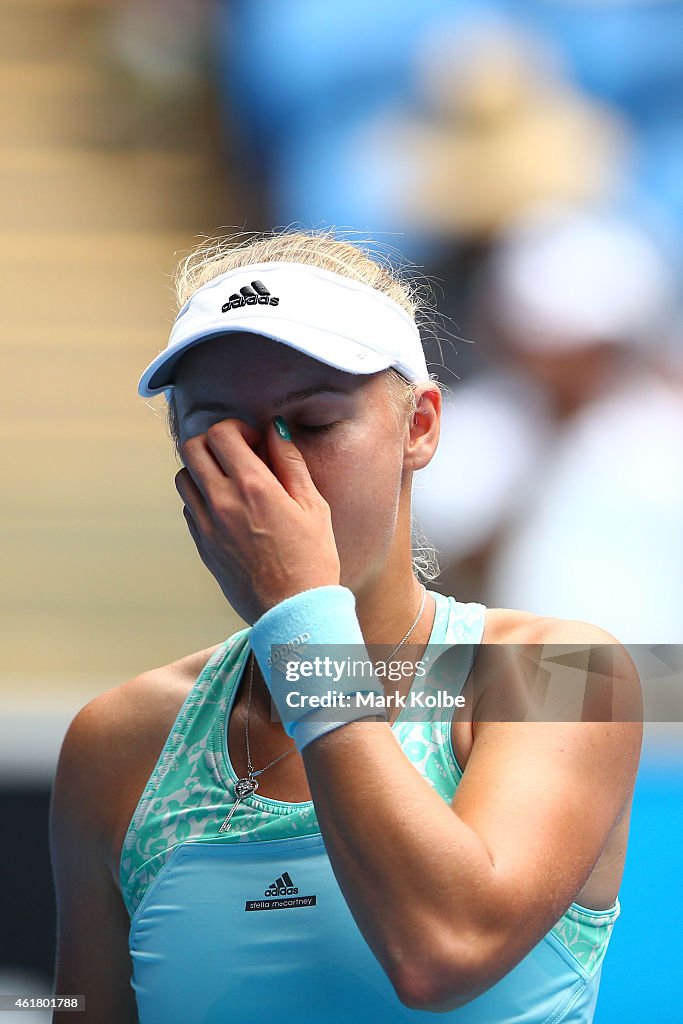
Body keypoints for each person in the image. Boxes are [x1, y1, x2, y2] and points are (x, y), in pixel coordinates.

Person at [49, 230, 642, 1023]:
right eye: (219, 432)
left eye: (315, 424)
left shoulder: (570, 669)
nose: (267, 472)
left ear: (420, 427)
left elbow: (442, 953)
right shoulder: (116, 737)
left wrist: (300, 616)